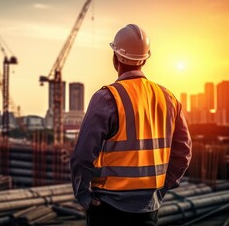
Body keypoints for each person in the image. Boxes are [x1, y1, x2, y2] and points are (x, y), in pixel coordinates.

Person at [70, 24, 192, 226]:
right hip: (149, 209)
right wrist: (162, 187)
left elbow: (82, 155)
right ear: (144, 59)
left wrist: (84, 197)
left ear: (115, 58)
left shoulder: (107, 98)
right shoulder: (168, 98)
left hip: (107, 208)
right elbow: (184, 153)